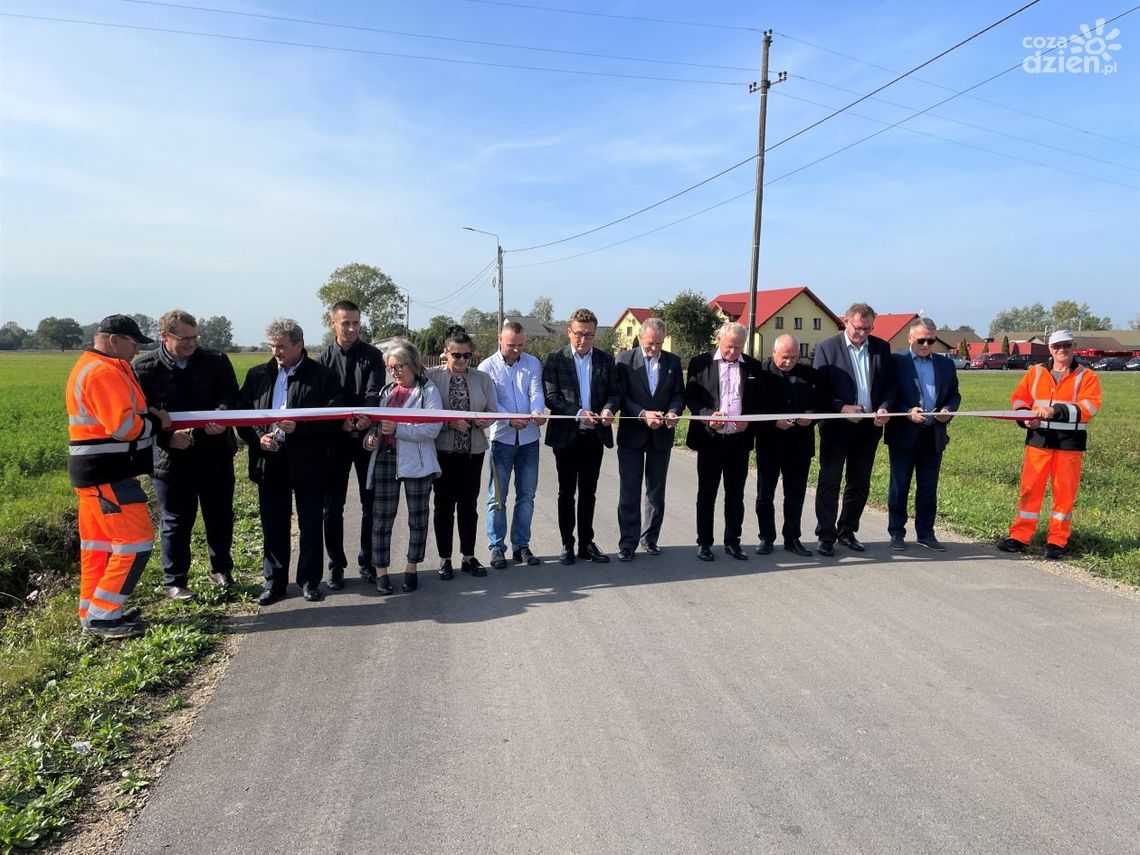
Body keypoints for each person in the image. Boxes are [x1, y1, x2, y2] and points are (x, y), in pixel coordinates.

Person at [66, 315, 170, 639]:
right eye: (133, 342)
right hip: (107, 475)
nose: (137, 349)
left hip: (96, 476)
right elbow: (124, 428)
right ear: (113, 340)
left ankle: (92, 612)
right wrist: (158, 422)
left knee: (98, 547)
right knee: (136, 541)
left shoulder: (94, 366)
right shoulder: (102, 371)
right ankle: (104, 615)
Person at [133, 310, 240, 600]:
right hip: (171, 459)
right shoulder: (144, 368)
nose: (192, 344)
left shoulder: (215, 360)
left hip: (215, 452)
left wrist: (223, 416)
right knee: (177, 519)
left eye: (195, 338)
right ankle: (175, 581)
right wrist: (167, 437)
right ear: (165, 336)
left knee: (219, 515)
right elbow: (138, 416)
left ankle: (221, 569)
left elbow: (231, 395)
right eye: (185, 339)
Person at [238, 319, 342, 605]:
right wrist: (257, 438)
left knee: (310, 524)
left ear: (299, 344)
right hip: (269, 460)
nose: (276, 353)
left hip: (308, 461)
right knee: (273, 524)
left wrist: (301, 428)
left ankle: (309, 581)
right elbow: (242, 417)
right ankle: (274, 583)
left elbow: (334, 420)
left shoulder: (323, 376)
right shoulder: (257, 375)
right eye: (272, 347)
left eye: (282, 346)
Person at [998, 329, 1102, 560]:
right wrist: (1025, 417)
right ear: (1050, 348)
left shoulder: (1086, 376)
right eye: (1057, 346)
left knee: (1064, 493)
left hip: (1069, 444)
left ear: (1074, 345)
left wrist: (1055, 410)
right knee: (1029, 489)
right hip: (1038, 441)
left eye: (1066, 345)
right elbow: (1019, 399)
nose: (1062, 350)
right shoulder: (1035, 373)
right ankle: (1020, 536)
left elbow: (1089, 408)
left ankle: (1057, 541)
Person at [812, 303, 896, 556]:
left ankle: (847, 531)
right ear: (846, 321)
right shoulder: (827, 348)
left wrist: (884, 407)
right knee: (830, 481)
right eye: (858, 328)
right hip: (837, 428)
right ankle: (826, 535)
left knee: (859, 483)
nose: (862, 333)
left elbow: (890, 385)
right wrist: (841, 408)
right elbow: (819, 390)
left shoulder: (881, 348)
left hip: (869, 429)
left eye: (867, 329)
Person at [543, 308, 621, 565]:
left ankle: (587, 542)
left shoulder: (605, 360)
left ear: (595, 334)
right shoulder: (556, 359)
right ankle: (568, 543)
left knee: (589, 491)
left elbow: (614, 392)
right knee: (567, 492)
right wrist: (578, 413)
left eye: (588, 335)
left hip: (594, 436)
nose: (583, 340)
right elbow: (551, 397)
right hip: (567, 436)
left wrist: (609, 408)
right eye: (578, 334)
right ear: (569, 332)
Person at [365, 340, 442, 593]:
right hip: (386, 459)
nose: (395, 372)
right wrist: (371, 437)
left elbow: (432, 428)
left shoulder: (428, 391)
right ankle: (381, 573)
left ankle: (411, 568)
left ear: (413, 364)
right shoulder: (387, 392)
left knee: (417, 519)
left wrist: (399, 429)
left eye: (399, 366)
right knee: (382, 518)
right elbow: (377, 425)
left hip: (417, 463)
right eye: (391, 367)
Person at [317, 300, 383, 590]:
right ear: (333, 323)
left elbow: (374, 393)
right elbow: (323, 400)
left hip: (366, 439)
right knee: (332, 507)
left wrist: (363, 419)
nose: (353, 328)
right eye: (346, 323)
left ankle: (367, 561)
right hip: (334, 442)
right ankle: (336, 565)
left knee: (371, 504)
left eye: (356, 322)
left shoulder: (374, 356)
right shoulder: (321, 361)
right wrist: (340, 422)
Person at [684, 322, 764, 562]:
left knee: (735, 494)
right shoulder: (701, 363)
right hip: (710, 439)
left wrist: (748, 421)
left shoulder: (753, 366)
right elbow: (691, 396)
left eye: (738, 347)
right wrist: (708, 415)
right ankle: (704, 543)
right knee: (707, 493)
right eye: (729, 346)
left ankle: (733, 541)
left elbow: (760, 402)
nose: (733, 352)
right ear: (718, 340)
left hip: (738, 440)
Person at [884, 318, 961, 551]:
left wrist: (948, 410)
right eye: (921, 340)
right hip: (904, 434)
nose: (926, 345)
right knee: (900, 485)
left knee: (928, 487)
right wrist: (906, 412)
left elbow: (954, 395)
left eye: (931, 340)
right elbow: (887, 395)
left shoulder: (945, 365)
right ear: (910, 339)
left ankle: (926, 533)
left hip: (933, 435)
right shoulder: (896, 361)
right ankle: (896, 532)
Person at [427, 326, 498, 579]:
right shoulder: (431, 378)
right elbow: (425, 415)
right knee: (443, 506)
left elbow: (492, 410)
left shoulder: (482, 379)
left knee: (469, 505)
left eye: (466, 356)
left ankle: (468, 556)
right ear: (445, 353)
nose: (460, 360)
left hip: (473, 452)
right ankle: (445, 558)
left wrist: (483, 421)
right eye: (455, 355)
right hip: (443, 452)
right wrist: (449, 423)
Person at [614, 317, 684, 561]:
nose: (654, 348)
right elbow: (620, 397)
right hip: (632, 435)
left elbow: (678, 395)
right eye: (650, 343)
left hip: (661, 436)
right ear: (641, 337)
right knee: (629, 492)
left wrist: (674, 412)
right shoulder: (624, 361)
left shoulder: (673, 362)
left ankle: (650, 538)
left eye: (658, 344)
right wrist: (643, 415)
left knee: (655, 492)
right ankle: (628, 543)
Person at [479, 321, 547, 568]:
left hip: (529, 440)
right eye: (511, 345)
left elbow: (536, 392)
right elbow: (491, 402)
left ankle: (521, 546)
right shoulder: (486, 367)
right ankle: (497, 547)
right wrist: (510, 418)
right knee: (497, 496)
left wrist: (537, 411)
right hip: (501, 439)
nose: (516, 350)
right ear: (500, 339)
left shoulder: (532, 363)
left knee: (527, 495)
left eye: (520, 345)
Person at [754, 334, 820, 558]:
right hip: (770, 442)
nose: (788, 361)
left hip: (800, 444)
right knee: (765, 494)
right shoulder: (761, 373)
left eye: (793, 357)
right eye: (784, 357)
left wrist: (810, 417)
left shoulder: (809, 374)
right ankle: (766, 537)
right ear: (773, 352)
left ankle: (792, 538)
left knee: (795, 494)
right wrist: (773, 421)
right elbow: (755, 405)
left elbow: (819, 404)